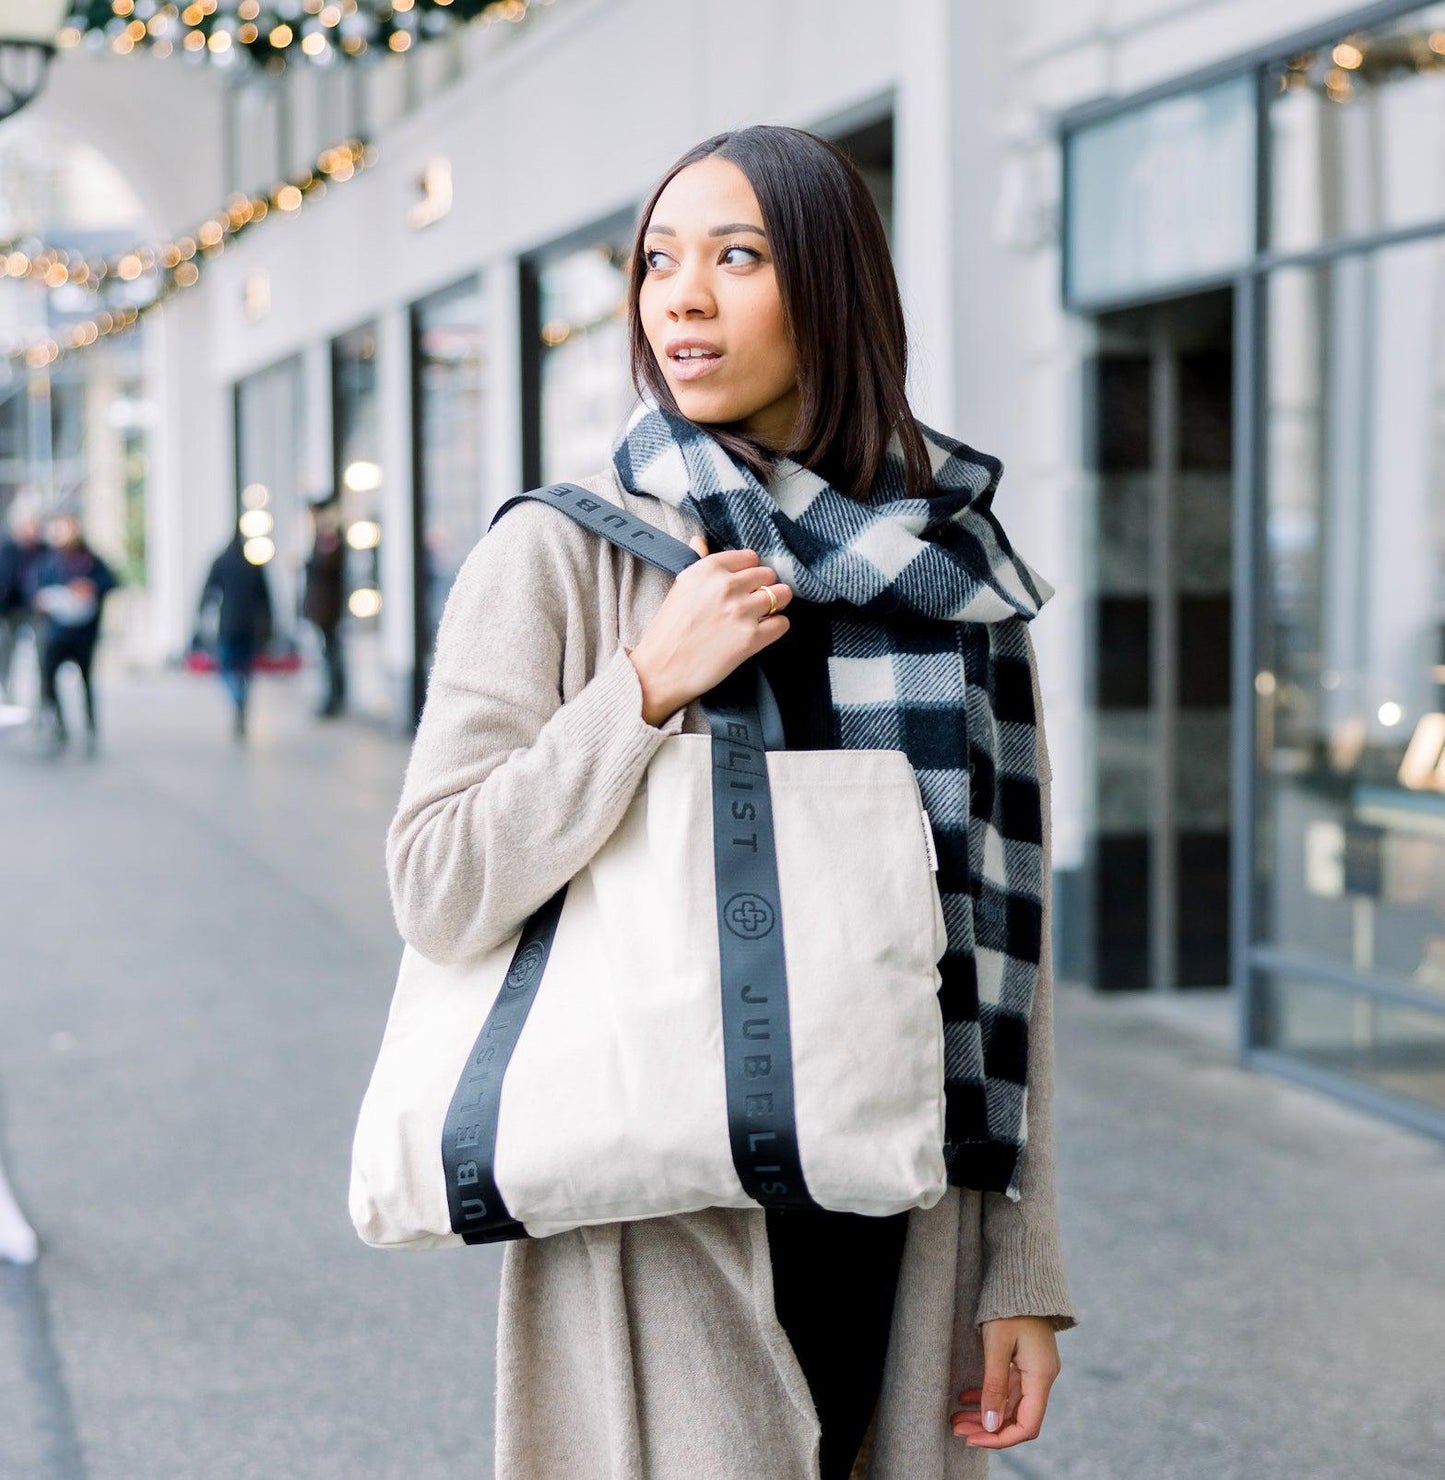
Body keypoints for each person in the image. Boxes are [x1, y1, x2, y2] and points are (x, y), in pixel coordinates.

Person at [384, 126, 1078, 1480]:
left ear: (831, 291)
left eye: (737, 256)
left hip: (907, 1213)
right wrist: (639, 689)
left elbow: (1005, 950)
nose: (680, 296)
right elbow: (438, 881)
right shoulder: (567, 552)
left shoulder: (958, 587)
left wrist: (1023, 1268)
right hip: (662, 1209)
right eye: (657, 260)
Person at [29, 514, 117, 757]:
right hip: (57, 632)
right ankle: (59, 723)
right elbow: (34, 589)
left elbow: (110, 581)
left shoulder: (92, 560)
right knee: (49, 677)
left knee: (86, 680)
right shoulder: (49, 561)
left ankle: (90, 722)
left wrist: (91, 588)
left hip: (84, 633)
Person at [197, 527, 274, 739]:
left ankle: (237, 698)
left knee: (226, 669)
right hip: (250, 626)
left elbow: (207, 593)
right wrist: (269, 628)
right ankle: (240, 699)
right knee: (244, 671)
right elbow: (266, 599)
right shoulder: (253, 564)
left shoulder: (221, 561)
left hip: (229, 625)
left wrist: (200, 619)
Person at [302, 493, 347, 718]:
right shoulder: (322, 537)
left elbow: (326, 567)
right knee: (328, 653)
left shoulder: (330, 537)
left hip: (328, 609)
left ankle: (335, 698)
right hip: (323, 609)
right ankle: (331, 697)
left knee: (332, 654)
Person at [0, 500, 45, 705]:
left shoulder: (45, 551)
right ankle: (7, 696)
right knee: (5, 655)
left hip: (37, 610)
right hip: (10, 611)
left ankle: (43, 702)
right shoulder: (7, 549)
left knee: (43, 655)